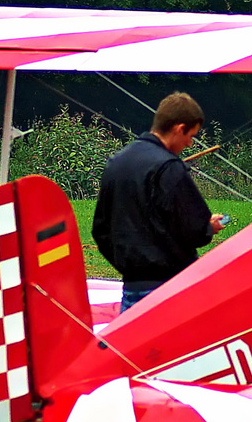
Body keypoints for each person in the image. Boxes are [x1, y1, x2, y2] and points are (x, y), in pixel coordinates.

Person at [92, 92, 228, 315]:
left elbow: (101, 230)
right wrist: (208, 227)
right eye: (190, 135)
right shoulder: (169, 167)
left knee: (132, 348)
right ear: (178, 128)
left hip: (133, 287)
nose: (189, 143)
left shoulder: (116, 163)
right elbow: (193, 229)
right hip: (171, 288)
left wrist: (128, 267)